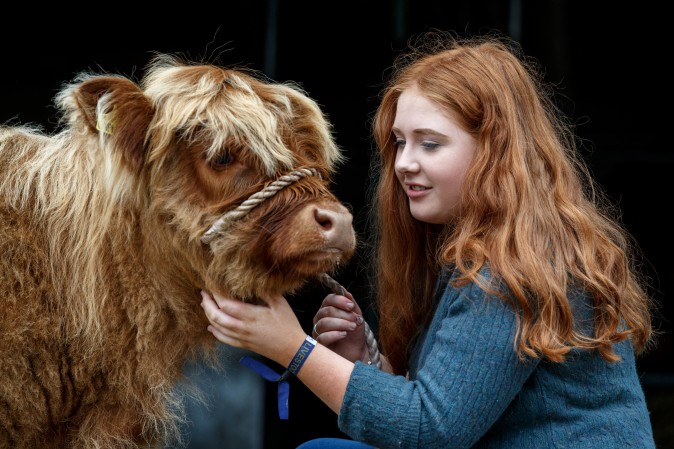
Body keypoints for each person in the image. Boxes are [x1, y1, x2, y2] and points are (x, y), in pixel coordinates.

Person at [200, 30, 657, 448]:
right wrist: (363, 362)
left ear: (494, 153)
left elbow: (429, 430)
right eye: (399, 142)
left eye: (430, 144)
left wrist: (292, 348)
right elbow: (449, 405)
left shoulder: (513, 263)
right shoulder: (487, 248)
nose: (403, 163)